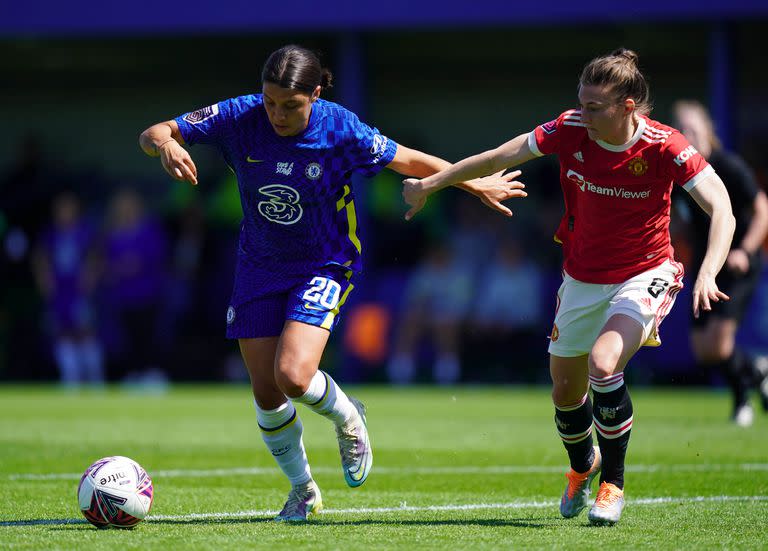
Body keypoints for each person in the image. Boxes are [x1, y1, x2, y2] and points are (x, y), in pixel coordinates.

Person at [139, 44, 524, 522]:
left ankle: (347, 416)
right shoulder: (240, 115)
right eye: (270, 102)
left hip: (325, 262)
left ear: (315, 95)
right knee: (266, 391)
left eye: (291, 105)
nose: (277, 113)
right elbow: (154, 131)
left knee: (295, 376)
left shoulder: (340, 127)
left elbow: (409, 160)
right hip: (258, 265)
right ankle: (303, 490)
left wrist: (471, 183)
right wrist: (167, 144)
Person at [402, 48, 735, 526]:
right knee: (564, 393)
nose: (584, 114)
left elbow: (721, 208)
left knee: (604, 364)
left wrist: (707, 270)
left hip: (645, 272)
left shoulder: (666, 146)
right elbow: (500, 155)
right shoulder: (570, 129)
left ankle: (612, 485)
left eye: (595, 106)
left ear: (628, 106)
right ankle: (583, 466)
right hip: (581, 277)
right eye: (580, 102)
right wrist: (433, 182)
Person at [673, 100, 768, 426]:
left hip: (737, 262)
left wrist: (745, 249)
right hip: (705, 263)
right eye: (681, 129)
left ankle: (742, 401)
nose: (687, 134)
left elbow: (762, 210)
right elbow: (681, 221)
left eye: (692, 127)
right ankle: (757, 370)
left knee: (719, 342)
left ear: (708, 129)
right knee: (703, 350)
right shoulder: (680, 174)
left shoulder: (728, 166)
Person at [32, 191, 104, 386]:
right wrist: (44, 280)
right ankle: (70, 378)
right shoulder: (50, 233)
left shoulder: (85, 231)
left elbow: (95, 256)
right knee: (61, 332)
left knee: (85, 330)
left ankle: (94, 378)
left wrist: (91, 277)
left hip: (79, 289)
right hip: (59, 290)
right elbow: (41, 258)